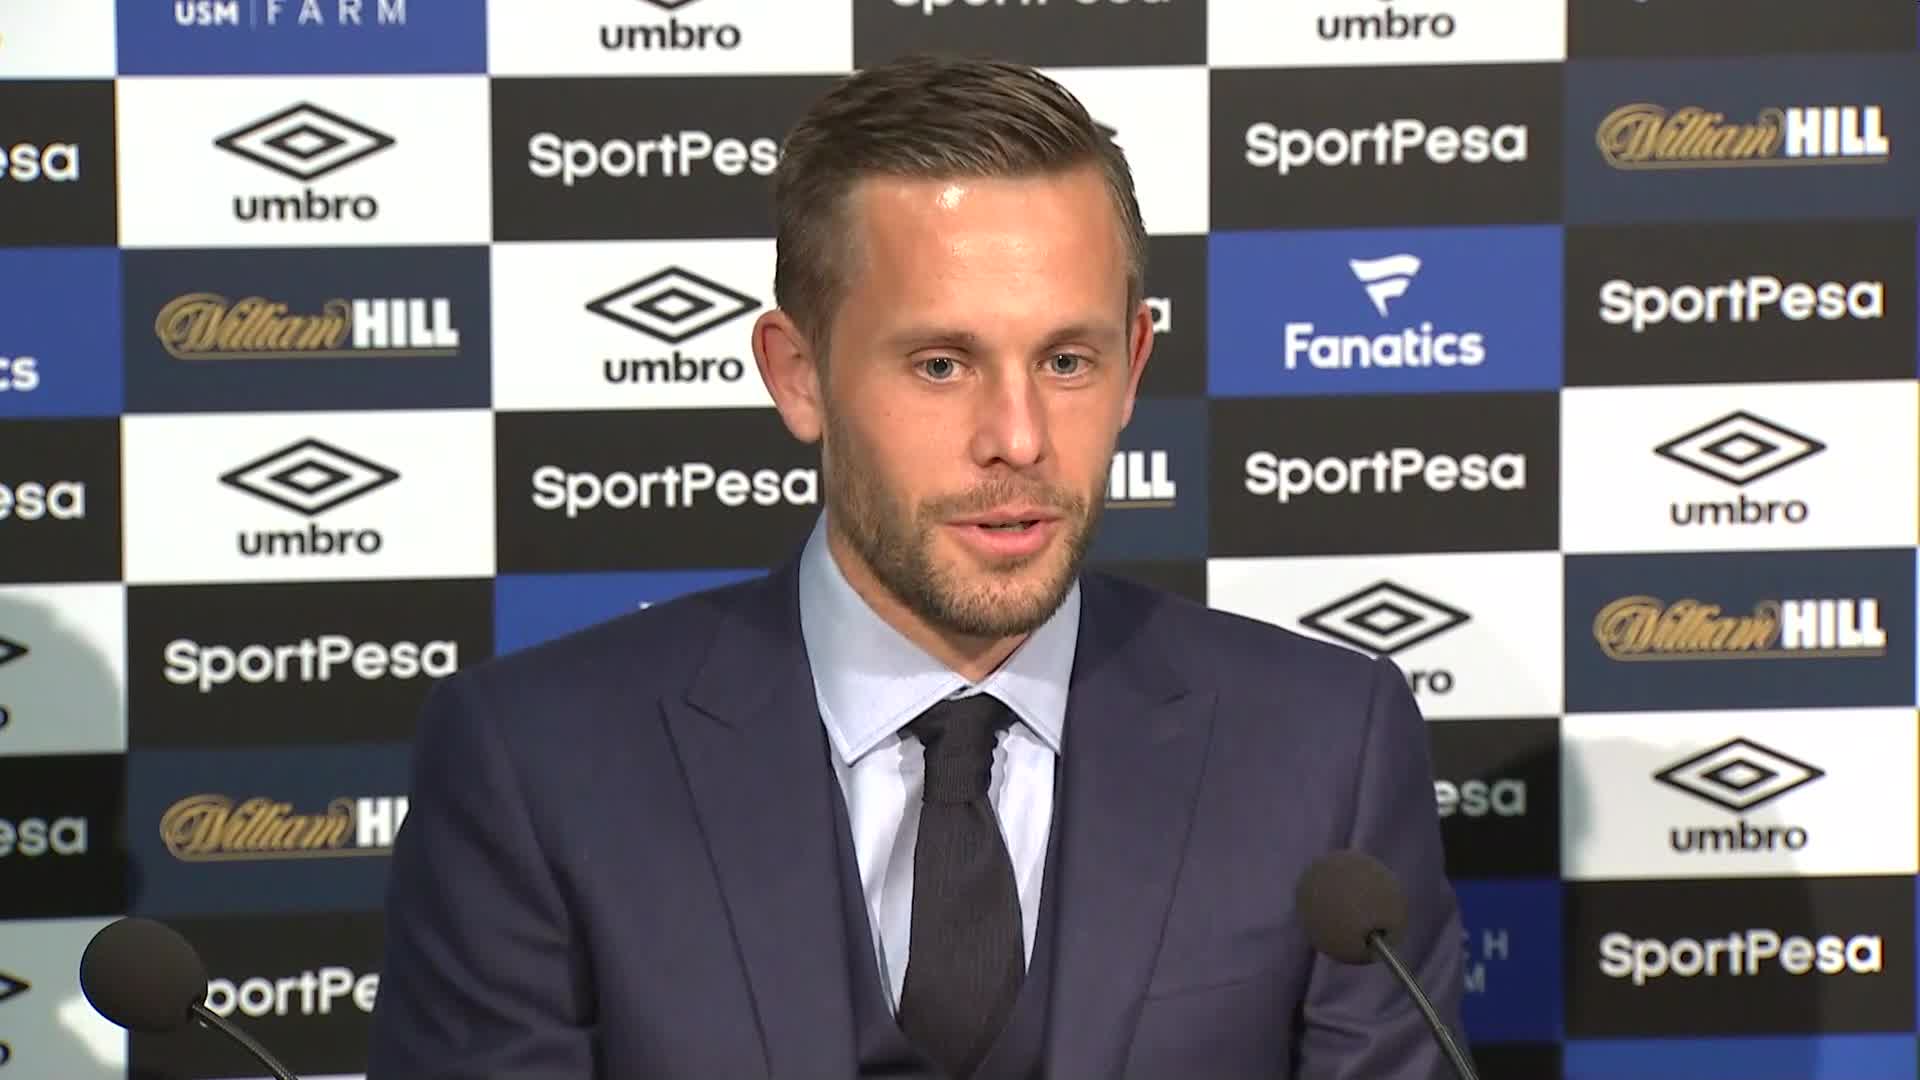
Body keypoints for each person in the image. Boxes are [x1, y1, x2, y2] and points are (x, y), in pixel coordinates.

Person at [367, 52, 1467, 1079]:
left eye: (1067, 360)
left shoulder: (1325, 747)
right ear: (798, 374)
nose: (1019, 439)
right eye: (942, 364)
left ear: (1134, 365)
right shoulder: (537, 767)